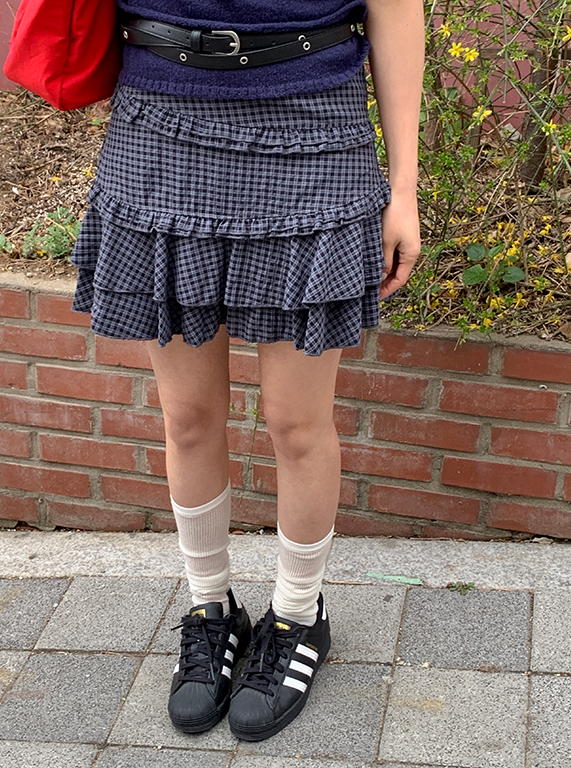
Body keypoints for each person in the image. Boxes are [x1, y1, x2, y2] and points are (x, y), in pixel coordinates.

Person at [70, 0, 424, 742]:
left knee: (297, 424)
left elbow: (395, 9)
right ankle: (211, 609)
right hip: (162, 121)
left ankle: (297, 616)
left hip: (313, 124)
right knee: (188, 416)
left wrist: (405, 189)